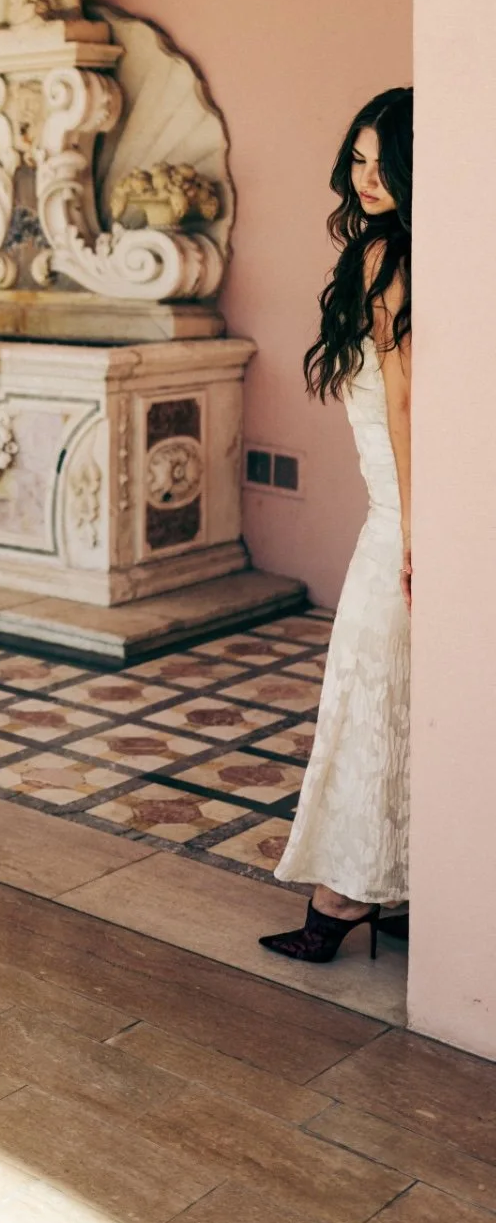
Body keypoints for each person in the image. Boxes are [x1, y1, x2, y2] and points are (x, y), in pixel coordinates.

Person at [260, 87, 412, 963]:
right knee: (393, 690)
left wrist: (415, 532)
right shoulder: (395, 250)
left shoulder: (388, 257)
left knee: (368, 690)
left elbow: (404, 401)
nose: (366, 178)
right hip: (397, 507)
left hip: (401, 514)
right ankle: (391, 883)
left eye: (385, 162)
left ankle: (345, 896)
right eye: (357, 160)